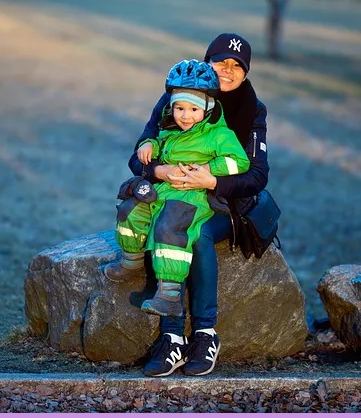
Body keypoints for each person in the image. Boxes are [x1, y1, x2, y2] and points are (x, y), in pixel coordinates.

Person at [127, 33, 270, 377]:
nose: (228, 70)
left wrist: (212, 181)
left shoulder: (253, 109)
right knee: (165, 222)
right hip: (176, 192)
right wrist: (157, 170)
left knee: (196, 234)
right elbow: (139, 155)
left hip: (225, 203)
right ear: (207, 62)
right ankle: (172, 339)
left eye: (237, 66)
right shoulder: (177, 97)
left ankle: (206, 333)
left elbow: (257, 175)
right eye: (221, 62)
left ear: (246, 73)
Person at [103, 59, 250, 321]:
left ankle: (169, 295)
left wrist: (208, 168)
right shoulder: (170, 128)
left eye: (193, 109)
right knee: (131, 209)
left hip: (193, 195)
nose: (185, 116)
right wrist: (149, 144)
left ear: (208, 108)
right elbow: (158, 144)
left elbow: (239, 161)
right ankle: (131, 260)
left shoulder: (219, 135)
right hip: (165, 189)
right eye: (179, 108)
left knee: (168, 227)